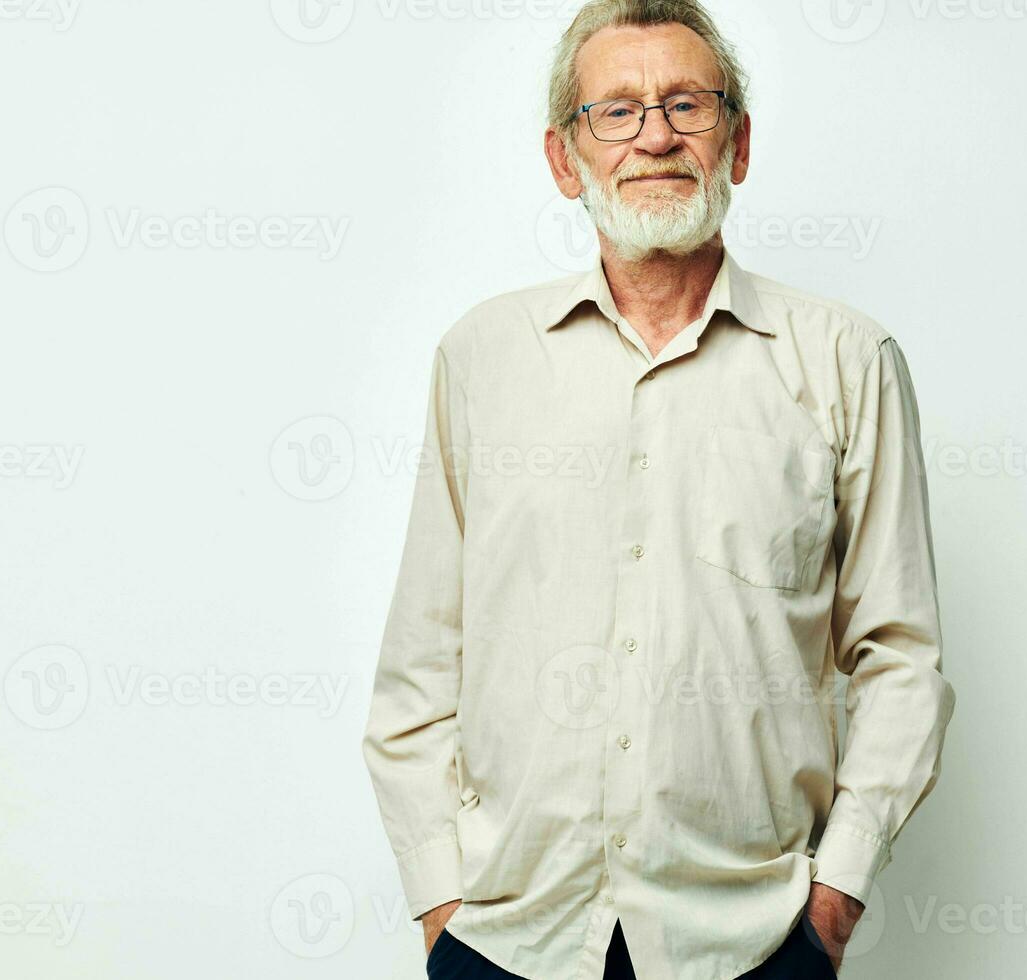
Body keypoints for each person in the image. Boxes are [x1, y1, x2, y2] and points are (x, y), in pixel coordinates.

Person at [363, 2, 955, 977]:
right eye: (617, 110)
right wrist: (441, 898)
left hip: (753, 938)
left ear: (740, 143)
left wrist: (835, 894)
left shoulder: (849, 360)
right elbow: (421, 662)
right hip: (512, 937)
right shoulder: (483, 358)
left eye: (687, 103)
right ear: (565, 158)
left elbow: (901, 654)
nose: (655, 136)